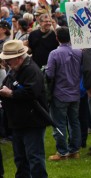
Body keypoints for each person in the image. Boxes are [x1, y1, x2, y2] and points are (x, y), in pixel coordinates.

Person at [0, 40, 49, 178]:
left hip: (32, 122)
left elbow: (31, 93)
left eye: (9, 60)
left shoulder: (31, 70)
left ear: (19, 58)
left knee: (34, 158)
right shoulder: (15, 69)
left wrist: (10, 93)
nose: (7, 63)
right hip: (19, 121)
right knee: (20, 159)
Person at [46, 27, 82, 161]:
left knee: (59, 123)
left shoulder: (54, 54)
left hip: (60, 93)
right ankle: (74, 150)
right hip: (75, 92)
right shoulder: (79, 52)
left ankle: (62, 152)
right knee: (74, 122)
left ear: (57, 38)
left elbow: (49, 74)